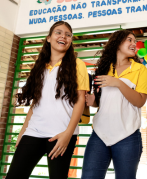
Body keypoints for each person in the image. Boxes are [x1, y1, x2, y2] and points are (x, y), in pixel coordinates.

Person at [6, 21, 89, 179]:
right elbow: (36, 103)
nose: (63, 36)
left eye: (68, 34)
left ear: (70, 41)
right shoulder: (39, 67)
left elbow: (79, 101)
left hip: (61, 134)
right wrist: (23, 131)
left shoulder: (78, 65)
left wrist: (68, 134)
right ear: (49, 38)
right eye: (58, 32)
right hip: (34, 132)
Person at [82, 30, 147, 179]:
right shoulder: (104, 68)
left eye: (135, 41)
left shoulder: (140, 69)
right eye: (129, 40)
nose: (134, 44)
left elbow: (139, 101)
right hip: (99, 134)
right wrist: (92, 101)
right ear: (117, 43)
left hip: (127, 135)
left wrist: (118, 83)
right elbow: (102, 102)